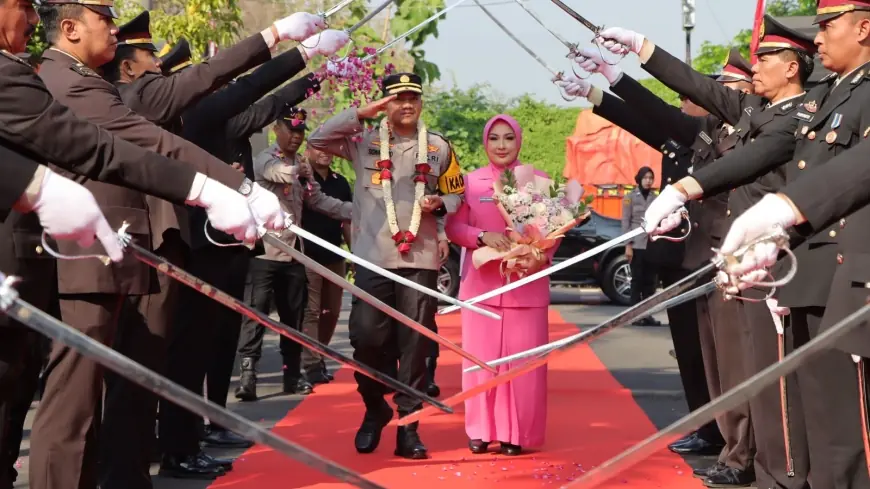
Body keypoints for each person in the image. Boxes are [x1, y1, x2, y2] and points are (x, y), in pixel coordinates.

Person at [28, 2, 284, 488]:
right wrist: (232, 188)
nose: (112, 23)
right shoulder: (63, 78)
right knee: (74, 404)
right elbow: (142, 141)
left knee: (126, 389)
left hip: (123, 248)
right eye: (104, 15)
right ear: (70, 28)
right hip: (87, 252)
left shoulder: (86, 79)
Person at [634, 1, 870, 486]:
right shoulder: (828, 100)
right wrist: (684, 189)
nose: (819, 38)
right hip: (808, 272)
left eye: (828, 26)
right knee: (820, 422)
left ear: (864, 28)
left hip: (846, 278)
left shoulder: (846, 97)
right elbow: (766, 149)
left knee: (847, 432)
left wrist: (780, 215)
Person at [308, 72, 465, 459]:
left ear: (422, 103)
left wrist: (441, 206)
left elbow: (458, 192)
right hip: (372, 256)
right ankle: (375, 406)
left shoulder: (439, 147)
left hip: (420, 257)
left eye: (413, 96)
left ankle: (408, 428)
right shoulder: (362, 143)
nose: (406, 104)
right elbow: (317, 140)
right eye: (397, 98)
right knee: (366, 338)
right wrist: (361, 112)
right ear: (385, 104)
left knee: (415, 346)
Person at [444, 114, 556, 456]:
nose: (502, 145)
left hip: (526, 286)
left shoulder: (539, 181)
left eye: (509, 138)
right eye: (495, 138)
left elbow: (554, 232)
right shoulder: (470, 182)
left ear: (518, 141)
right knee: (480, 363)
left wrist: (536, 251)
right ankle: (479, 430)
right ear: (485, 142)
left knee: (523, 368)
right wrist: (481, 237)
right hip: (482, 288)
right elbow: (454, 228)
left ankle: (515, 434)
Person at [236, 107, 352, 401]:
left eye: (301, 131)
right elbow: (275, 173)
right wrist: (296, 171)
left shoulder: (302, 164)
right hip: (265, 253)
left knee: (294, 318)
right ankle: (248, 376)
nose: (296, 137)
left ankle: (292, 375)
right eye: (291, 130)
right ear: (277, 129)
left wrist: (357, 211)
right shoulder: (266, 159)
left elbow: (317, 199)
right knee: (256, 316)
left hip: (293, 255)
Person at [298, 147, 353, 386]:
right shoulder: (299, 179)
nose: (325, 152)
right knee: (311, 311)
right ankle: (311, 365)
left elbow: (347, 220)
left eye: (329, 147)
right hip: (306, 256)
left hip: (334, 255)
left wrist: (356, 255)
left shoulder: (340, 182)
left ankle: (319, 354)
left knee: (331, 311)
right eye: (319, 147)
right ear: (308, 150)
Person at [621, 166, 661, 326]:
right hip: (636, 245)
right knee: (637, 281)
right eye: (645, 178)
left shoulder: (655, 198)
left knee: (650, 283)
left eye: (651, 178)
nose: (648, 181)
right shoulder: (630, 197)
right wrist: (627, 245)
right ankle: (635, 316)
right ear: (639, 179)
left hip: (651, 245)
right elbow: (625, 222)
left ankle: (648, 314)